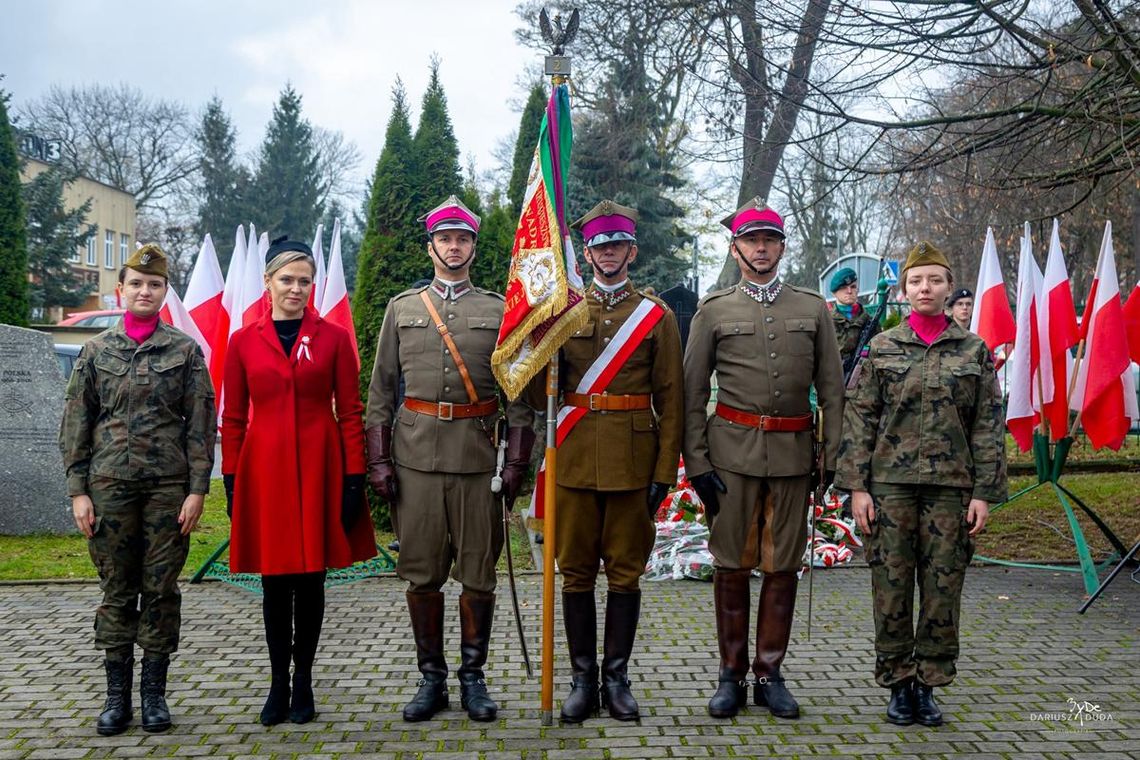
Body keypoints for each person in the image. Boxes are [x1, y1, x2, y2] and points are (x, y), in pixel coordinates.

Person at [365, 196, 536, 723]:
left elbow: (518, 396)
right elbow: (381, 390)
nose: (454, 247)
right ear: (431, 247)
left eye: (462, 239)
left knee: (479, 575)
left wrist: (517, 464)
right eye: (445, 239)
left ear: (473, 247)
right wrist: (378, 460)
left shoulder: (499, 310)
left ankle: (473, 679)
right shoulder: (402, 308)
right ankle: (431, 679)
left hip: (478, 460)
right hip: (415, 459)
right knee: (422, 574)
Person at [683, 199, 844, 720]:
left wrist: (831, 458)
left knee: (783, 566)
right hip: (731, 456)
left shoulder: (812, 308)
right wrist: (697, 462)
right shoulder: (714, 310)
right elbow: (691, 392)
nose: (760, 248)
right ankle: (730, 675)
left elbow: (833, 390)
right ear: (735, 249)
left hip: (795, 457)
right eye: (751, 240)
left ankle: (769, 674)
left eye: (769, 240)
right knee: (731, 564)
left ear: (781, 247)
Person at [835, 242, 1006, 727]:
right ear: (904, 290)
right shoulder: (882, 347)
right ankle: (897, 682)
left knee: (942, 586)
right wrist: (858, 488)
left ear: (949, 287)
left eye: (934, 280)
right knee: (890, 586)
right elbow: (861, 419)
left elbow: (987, 424)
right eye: (915, 281)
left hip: (950, 489)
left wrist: (983, 493)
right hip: (890, 488)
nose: (924, 288)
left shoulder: (973, 350)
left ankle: (928, 684)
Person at [528, 200, 684, 723]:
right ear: (588, 253)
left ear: (631, 251)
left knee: (624, 574)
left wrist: (664, 473)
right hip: (573, 461)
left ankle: (616, 679)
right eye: (600, 246)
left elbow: (672, 400)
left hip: (632, 464)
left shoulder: (656, 317)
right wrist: (539, 350)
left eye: (617, 245)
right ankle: (581, 680)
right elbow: (539, 400)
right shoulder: (564, 313)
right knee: (575, 573)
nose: (609, 253)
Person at [60, 244, 216, 736]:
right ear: (120, 290)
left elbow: (200, 426)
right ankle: (115, 698)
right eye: (136, 284)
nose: (145, 291)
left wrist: (197, 490)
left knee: (161, 589)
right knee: (116, 589)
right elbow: (76, 423)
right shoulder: (95, 351)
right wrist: (78, 491)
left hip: (168, 489)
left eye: (154, 284)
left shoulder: (185, 351)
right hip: (109, 489)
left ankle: (153, 695)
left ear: (165, 291)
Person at [222, 236, 376, 726]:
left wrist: (354, 478)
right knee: (274, 584)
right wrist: (231, 478)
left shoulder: (333, 338)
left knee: (311, 582)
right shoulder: (242, 341)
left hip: (319, 468)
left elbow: (350, 412)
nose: (295, 289)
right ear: (267, 282)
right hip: (264, 471)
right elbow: (233, 418)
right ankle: (277, 683)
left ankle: (304, 679)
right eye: (286, 279)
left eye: (304, 281)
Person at [828, 266, 870, 367]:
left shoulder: (869, 321)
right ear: (834, 293)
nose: (849, 291)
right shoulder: (826, 321)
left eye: (853, 287)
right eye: (844, 288)